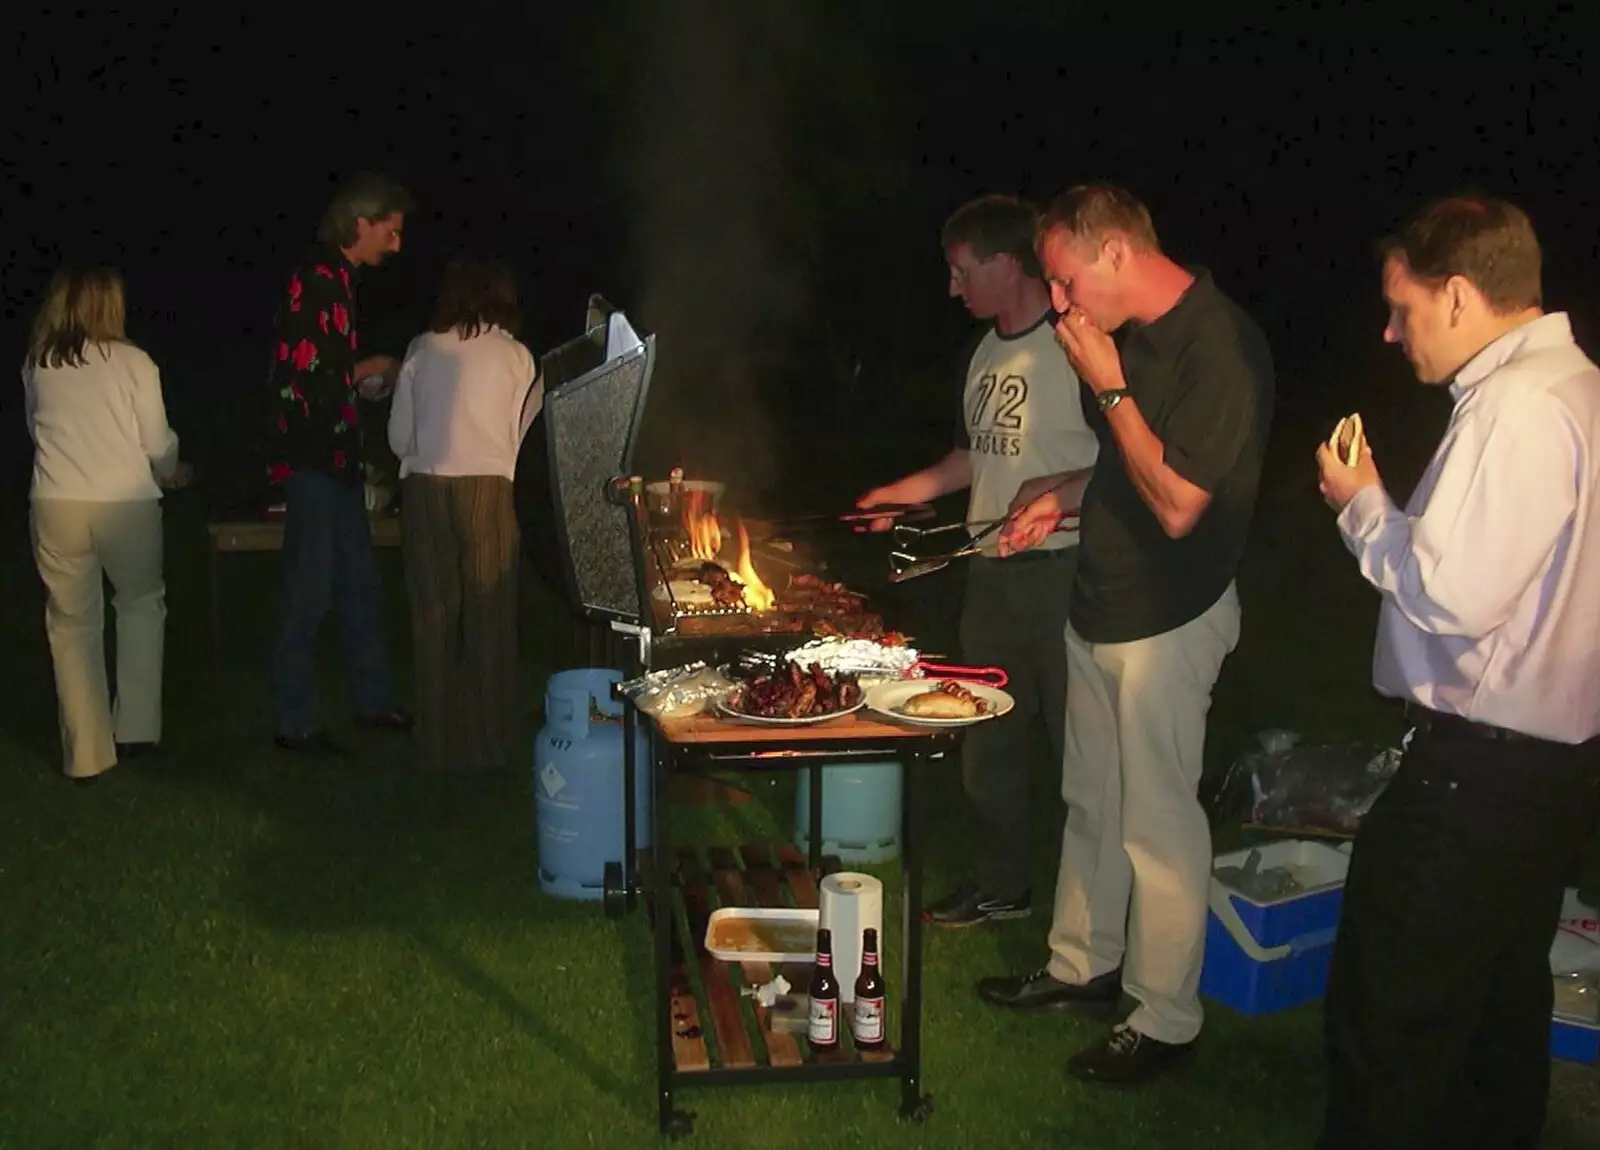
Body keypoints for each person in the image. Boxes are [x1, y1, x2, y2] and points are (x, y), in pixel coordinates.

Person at [1314, 196, 1600, 1150]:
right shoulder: (1577, 389)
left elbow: (1452, 593)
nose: (1391, 333)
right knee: (1495, 1013)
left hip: (1476, 778)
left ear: (1461, 295)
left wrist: (1362, 507)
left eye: (1403, 309)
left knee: (1388, 1021)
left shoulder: (1518, 407)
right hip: (1549, 773)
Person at [977, 184, 1274, 1087]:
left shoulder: (1220, 345)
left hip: (1169, 617)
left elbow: (1181, 502)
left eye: (1067, 280)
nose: (1061, 303)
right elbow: (1124, 459)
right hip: (1099, 603)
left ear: (1115, 253)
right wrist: (1055, 497)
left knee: (1157, 822)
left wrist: (1106, 382)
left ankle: (1166, 1016)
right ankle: (1082, 968)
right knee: (1092, 803)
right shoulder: (1135, 338)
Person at [856, 193, 1098, 926]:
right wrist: (902, 493)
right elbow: (971, 457)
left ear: (1003, 262)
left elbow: (1118, 462)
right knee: (986, 737)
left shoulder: (1078, 347)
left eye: (962, 271)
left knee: (1078, 748)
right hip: (989, 573)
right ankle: (1003, 885)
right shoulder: (981, 353)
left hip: (1067, 573)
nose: (953, 288)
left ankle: (1093, 911)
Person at [22, 266, 192, 783]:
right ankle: (137, 730)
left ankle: (87, 754)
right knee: (140, 605)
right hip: (125, 502)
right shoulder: (134, 362)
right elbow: (157, 441)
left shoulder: (39, 363)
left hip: (56, 502)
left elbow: (36, 429)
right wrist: (173, 471)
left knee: (72, 625)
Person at [268, 171, 414, 754]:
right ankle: (293, 720)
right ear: (361, 223)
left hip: (340, 459)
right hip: (312, 462)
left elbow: (330, 377)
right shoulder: (318, 280)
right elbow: (297, 383)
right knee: (309, 591)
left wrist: (361, 384)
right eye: (391, 231)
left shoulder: (340, 281)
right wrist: (371, 364)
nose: (397, 245)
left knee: (359, 585)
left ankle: (374, 703)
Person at [387, 254, 541, 773]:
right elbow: (527, 437)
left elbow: (397, 438)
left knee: (432, 615)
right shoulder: (517, 357)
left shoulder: (421, 349)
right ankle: (488, 744)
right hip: (492, 489)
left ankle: (434, 743)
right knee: (490, 615)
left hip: (426, 488)